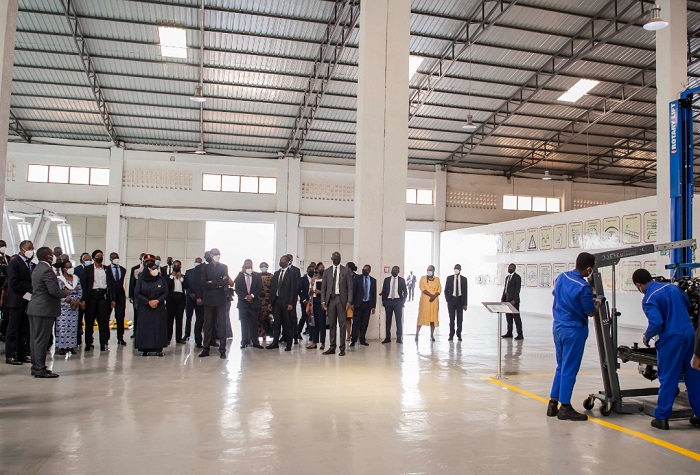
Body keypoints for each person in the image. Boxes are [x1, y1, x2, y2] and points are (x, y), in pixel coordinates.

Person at [632, 269, 700, 430]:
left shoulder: (649, 298)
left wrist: (647, 336)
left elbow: (656, 323)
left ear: (639, 285)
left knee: (668, 377)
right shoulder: (672, 288)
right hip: (689, 334)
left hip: (671, 338)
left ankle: (662, 417)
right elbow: (688, 303)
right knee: (694, 374)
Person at [547, 252, 601, 421]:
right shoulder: (583, 287)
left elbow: (556, 294)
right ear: (589, 269)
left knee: (561, 366)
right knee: (570, 368)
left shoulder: (562, 277)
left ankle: (553, 404)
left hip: (558, 328)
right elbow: (590, 311)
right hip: (574, 331)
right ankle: (565, 407)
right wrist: (598, 301)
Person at [26, 247, 71, 378]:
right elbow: (53, 291)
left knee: (35, 339)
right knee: (41, 340)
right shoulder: (46, 270)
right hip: (44, 309)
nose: (54, 257)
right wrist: (66, 293)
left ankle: (36, 367)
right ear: (48, 256)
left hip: (35, 308)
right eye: (52, 254)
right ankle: (40, 369)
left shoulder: (37, 268)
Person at [5, 240, 35, 365]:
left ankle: (21, 354)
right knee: (12, 328)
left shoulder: (29, 263)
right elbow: (14, 282)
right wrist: (31, 288)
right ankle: (10, 355)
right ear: (22, 249)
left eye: (32, 248)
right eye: (29, 248)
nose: (31, 250)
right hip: (16, 300)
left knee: (23, 328)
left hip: (26, 300)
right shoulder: (15, 262)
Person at [199, 248, 231, 359]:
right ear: (211, 255)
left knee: (222, 325)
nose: (217, 256)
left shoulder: (223, 267)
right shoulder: (205, 267)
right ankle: (206, 349)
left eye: (218, 254)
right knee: (207, 325)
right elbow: (203, 282)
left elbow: (225, 282)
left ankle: (222, 350)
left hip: (221, 299)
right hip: (208, 299)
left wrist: (211, 282)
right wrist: (217, 283)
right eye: (215, 254)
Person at [81, 250, 116, 352]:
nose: (99, 257)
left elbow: (111, 284)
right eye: (97, 256)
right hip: (91, 296)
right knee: (89, 320)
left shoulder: (107, 269)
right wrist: (83, 299)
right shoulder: (88, 269)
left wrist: (112, 299)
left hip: (103, 296)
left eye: (101, 255)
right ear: (93, 258)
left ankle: (103, 343)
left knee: (103, 320)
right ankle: (88, 343)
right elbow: (84, 285)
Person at [134, 255, 168, 356]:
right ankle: (145, 348)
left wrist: (157, 301)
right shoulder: (141, 279)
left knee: (158, 327)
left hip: (158, 307)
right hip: (145, 307)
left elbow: (166, 292)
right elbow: (137, 293)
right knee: (145, 327)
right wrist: (148, 302)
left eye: (156, 268)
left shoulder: (161, 279)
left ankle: (158, 348)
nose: (155, 270)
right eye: (153, 269)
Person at [321, 251, 352, 356]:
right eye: (334, 256)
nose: (336, 258)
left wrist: (349, 301)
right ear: (331, 258)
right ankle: (332, 347)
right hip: (330, 300)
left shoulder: (346, 271)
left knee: (342, 324)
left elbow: (350, 287)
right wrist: (323, 301)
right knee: (332, 324)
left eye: (338, 256)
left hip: (341, 300)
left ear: (340, 258)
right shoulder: (327, 271)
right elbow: (323, 288)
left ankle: (342, 348)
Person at [267, 255, 299, 352]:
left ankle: (289, 344)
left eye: (283, 261)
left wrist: (291, 303)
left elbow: (293, 290)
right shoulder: (276, 273)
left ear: (288, 262)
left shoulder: (292, 273)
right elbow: (273, 289)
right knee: (276, 323)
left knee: (287, 324)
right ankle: (275, 343)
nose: (281, 262)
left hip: (286, 302)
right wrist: (270, 302)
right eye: (280, 260)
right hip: (276, 301)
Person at [55, 260, 82, 356]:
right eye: (69, 267)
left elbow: (80, 291)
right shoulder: (59, 280)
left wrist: (77, 301)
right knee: (62, 327)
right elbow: (59, 293)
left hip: (74, 307)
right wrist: (70, 301)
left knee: (73, 327)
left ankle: (71, 346)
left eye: (71, 266)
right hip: (63, 307)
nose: (71, 268)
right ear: (64, 269)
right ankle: (61, 347)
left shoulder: (76, 279)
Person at [234, 259, 263, 349]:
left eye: (250, 267)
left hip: (254, 303)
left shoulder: (256, 275)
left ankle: (255, 342)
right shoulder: (239, 276)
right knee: (244, 323)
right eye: (247, 267)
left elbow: (259, 287)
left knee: (254, 323)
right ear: (243, 267)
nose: (248, 268)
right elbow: (237, 289)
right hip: (243, 304)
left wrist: (252, 296)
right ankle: (244, 341)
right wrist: (246, 297)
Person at [350, 264, 376, 347]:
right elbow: (353, 291)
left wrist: (373, 306)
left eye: (366, 270)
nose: (364, 271)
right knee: (356, 323)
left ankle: (362, 339)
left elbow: (374, 294)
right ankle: (353, 340)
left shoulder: (373, 280)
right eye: (363, 269)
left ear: (369, 271)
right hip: (358, 304)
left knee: (365, 323)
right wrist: (352, 303)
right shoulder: (357, 278)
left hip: (367, 304)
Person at [381, 266, 407, 344]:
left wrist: (402, 302)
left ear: (398, 271)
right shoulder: (386, 280)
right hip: (388, 301)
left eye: (395, 270)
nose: (394, 271)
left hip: (398, 302)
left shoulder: (402, 280)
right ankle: (387, 338)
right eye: (393, 270)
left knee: (398, 321)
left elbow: (405, 292)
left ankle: (399, 338)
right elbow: (383, 291)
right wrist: (384, 301)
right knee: (388, 321)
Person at [416, 265, 441, 342]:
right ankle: (417, 334)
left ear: (433, 271)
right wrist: (431, 295)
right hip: (425, 302)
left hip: (434, 302)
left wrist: (434, 296)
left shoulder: (437, 279)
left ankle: (432, 335)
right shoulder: (423, 278)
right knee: (421, 318)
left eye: (430, 270)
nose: (429, 271)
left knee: (433, 319)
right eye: (428, 270)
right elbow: (422, 288)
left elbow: (439, 289)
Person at [444, 264, 468, 341]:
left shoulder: (464, 279)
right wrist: (448, 299)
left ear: (460, 270)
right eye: (455, 268)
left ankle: (459, 334)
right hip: (451, 300)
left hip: (460, 301)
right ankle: (451, 334)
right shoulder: (449, 278)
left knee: (460, 319)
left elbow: (465, 292)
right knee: (451, 319)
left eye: (458, 268)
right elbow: (446, 290)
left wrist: (465, 304)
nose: (456, 270)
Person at [108, 252, 128, 346]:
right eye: (114, 257)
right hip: (109, 296)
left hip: (120, 296)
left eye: (117, 257)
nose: (116, 259)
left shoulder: (123, 270)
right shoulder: (107, 269)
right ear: (110, 259)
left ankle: (120, 337)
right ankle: (105, 338)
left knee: (120, 317)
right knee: (106, 317)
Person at [166, 259, 187, 345]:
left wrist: (181, 278)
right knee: (169, 320)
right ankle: (168, 338)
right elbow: (167, 286)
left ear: (180, 266)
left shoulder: (183, 277)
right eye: (175, 265)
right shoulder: (168, 277)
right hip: (171, 300)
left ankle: (179, 338)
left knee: (179, 320)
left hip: (180, 300)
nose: (176, 267)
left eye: (178, 265)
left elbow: (186, 286)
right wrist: (172, 276)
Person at [183, 257, 203, 342]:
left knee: (199, 319)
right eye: (196, 261)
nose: (197, 263)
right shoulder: (188, 272)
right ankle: (186, 334)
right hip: (189, 298)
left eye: (199, 262)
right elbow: (185, 284)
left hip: (199, 299)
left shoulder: (203, 273)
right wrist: (190, 293)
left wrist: (198, 295)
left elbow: (203, 285)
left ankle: (198, 339)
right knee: (188, 317)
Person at [501, 263, 523, 340]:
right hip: (507, 301)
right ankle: (509, 332)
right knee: (508, 318)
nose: (509, 269)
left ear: (514, 268)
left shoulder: (517, 277)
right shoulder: (507, 277)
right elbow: (505, 289)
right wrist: (503, 298)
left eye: (511, 267)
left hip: (514, 302)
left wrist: (514, 299)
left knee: (516, 318)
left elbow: (517, 289)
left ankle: (520, 334)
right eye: (508, 267)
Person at [307, 262, 326, 350]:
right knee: (315, 323)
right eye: (320, 268)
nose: (322, 269)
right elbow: (309, 292)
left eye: (323, 267)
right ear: (317, 270)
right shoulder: (313, 280)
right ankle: (314, 342)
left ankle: (323, 342)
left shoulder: (326, 279)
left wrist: (320, 292)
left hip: (322, 301)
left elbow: (328, 292)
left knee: (322, 322)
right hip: (314, 301)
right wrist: (311, 291)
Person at [285, 253, 302, 345]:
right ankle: (285, 335)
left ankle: (295, 336)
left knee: (292, 317)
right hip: (283, 297)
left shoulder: (296, 270)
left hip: (293, 297)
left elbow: (298, 284)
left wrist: (293, 293)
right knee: (284, 317)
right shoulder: (282, 270)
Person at [128, 252, 146, 337]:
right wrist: (131, 295)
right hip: (137, 295)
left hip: (146, 295)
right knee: (136, 313)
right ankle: (135, 332)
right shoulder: (135, 269)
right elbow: (132, 283)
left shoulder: (150, 269)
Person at [258, 262, 274, 345]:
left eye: (265, 266)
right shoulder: (257, 276)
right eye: (262, 266)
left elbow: (273, 288)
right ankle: (260, 334)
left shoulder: (271, 276)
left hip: (268, 300)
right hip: (259, 300)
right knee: (259, 318)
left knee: (267, 318)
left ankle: (267, 334)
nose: (263, 267)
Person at [297, 264, 313, 341]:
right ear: (307, 271)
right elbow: (299, 290)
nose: (311, 272)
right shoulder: (302, 279)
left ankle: (311, 335)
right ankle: (298, 332)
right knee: (304, 317)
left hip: (313, 301)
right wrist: (303, 300)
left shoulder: (315, 279)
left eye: (313, 270)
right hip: (305, 302)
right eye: (310, 270)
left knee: (312, 318)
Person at [345, 262, 357, 341]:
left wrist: (354, 303)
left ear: (349, 268)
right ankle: (348, 335)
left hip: (355, 302)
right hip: (347, 302)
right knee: (348, 319)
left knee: (355, 320)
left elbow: (358, 291)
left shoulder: (356, 277)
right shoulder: (345, 277)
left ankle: (355, 335)